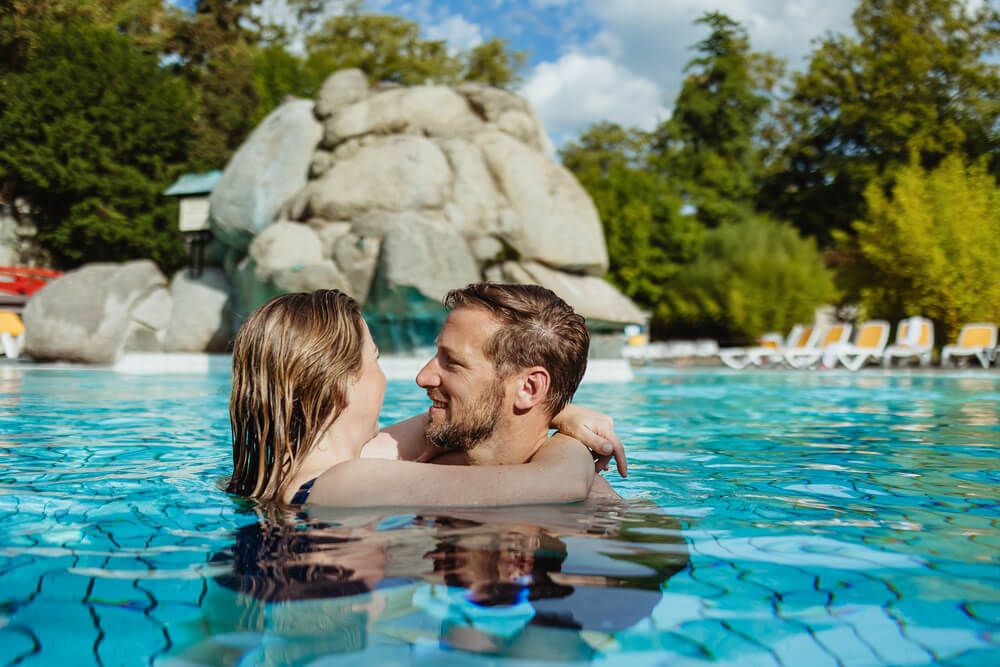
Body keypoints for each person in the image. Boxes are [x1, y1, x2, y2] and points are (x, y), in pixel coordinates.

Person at [227, 287, 623, 507]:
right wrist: (571, 439)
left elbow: (439, 425)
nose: (420, 378)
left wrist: (557, 411)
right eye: (376, 360)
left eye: (452, 362)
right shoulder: (347, 479)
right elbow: (561, 482)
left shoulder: (292, 468)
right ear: (338, 385)